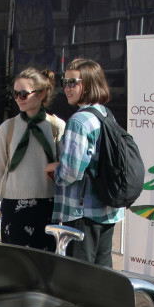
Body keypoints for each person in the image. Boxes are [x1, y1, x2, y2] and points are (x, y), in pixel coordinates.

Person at [45, 59, 123, 267]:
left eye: (73, 82)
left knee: (80, 276)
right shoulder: (105, 114)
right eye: (65, 82)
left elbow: (71, 172)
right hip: (106, 208)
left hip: (81, 211)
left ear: (88, 84)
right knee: (102, 272)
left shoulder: (79, 121)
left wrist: (54, 169)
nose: (67, 88)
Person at [0, 67, 64, 251]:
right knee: (15, 261)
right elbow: (0, 168)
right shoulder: (7, 128)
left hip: (47, 203)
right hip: (12, 203)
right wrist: (5, 196)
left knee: (45, 262)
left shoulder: (56, 126)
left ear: (41, 94)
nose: (18, 99)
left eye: (23, 94)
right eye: (15, 94)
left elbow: (64, 167)